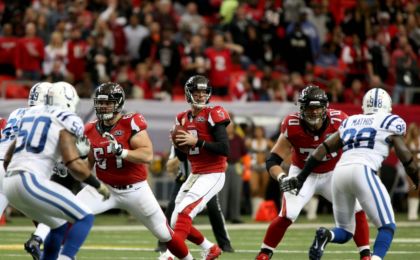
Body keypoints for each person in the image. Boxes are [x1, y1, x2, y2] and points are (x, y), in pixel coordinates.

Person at [281, 88, 419, 260]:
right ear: (388, 105)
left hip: (339, 172)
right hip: (364, 170)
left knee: (345, 231)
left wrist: (301, 178)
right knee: (387, 226)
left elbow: (322, 149)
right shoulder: (390, 121)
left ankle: (326, 235)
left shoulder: (351, 121)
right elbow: (405, 155)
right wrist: (416, 178)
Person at [75, 82, 193, 260]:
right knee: (69, 213)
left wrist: (121, 151)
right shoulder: (90, 129)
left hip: (135, 189)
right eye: (100, 102)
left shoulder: (131, 122)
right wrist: (75, 160)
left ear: (119, 103)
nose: (103, 106)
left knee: (164, 234)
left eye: (108, 102)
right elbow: (86, 168)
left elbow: (147, 155)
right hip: (104, 188)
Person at [255, 85, 371, 260]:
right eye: (309, 107)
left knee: (357, 208)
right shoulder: (292, 124)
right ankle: (264, 254)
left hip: (333, 173)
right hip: (302, 173)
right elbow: (273, 160)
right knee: (288, 214)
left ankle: (365, 255)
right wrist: (282, 177)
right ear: (301, 108)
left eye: (317, 107)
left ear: (325, 108)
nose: (314, 112)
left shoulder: (340, 121)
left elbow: (355, 150)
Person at [2, 82, 110, 260]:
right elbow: (73, 165)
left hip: (10, 181)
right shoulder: (65, 117)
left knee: (57, 225)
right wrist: (97, 185)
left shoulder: (29, 113)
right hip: (30, 180)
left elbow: (8, 157)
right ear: (68, 101)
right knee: (85, 217)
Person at [160, 75, 230, 260]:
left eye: (204, 92)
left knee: (184, 212)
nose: (200, 96)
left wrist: (196, 141)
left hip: (213, 172)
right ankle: (210, 248)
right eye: (196, 92)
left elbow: (225, 149)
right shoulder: (182, 118)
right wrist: (178, 145)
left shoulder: (214, 113)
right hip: (196, 173)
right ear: (188, 93)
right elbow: (184, 155)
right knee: (176, 219)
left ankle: (170, 255)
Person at [155, 146, 234, 253]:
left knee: (214, 208)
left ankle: (225, 244)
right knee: (172, 208)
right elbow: (169, 167)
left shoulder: (204, 140)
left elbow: (224, 163)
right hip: (183, 180)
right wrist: (183, 153)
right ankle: (163, 243)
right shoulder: (178, 143)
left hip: (204, 180)